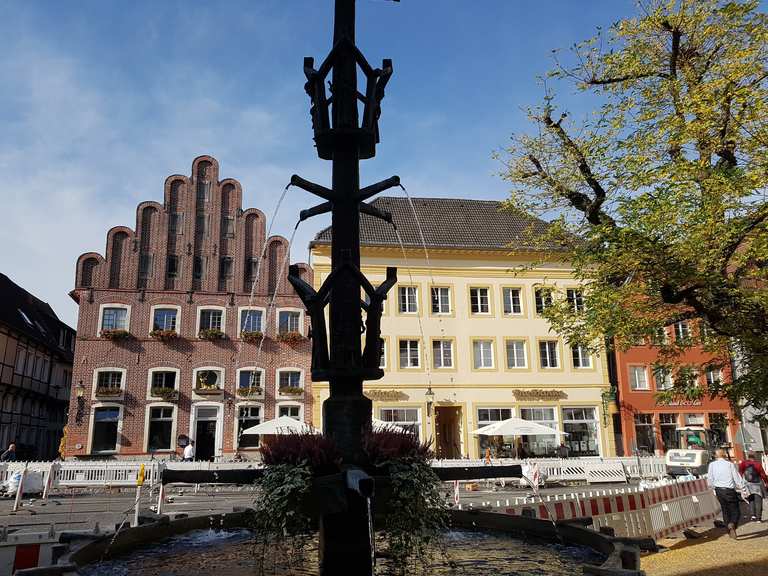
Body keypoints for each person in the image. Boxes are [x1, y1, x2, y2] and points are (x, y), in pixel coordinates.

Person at [707, 448, 746, 538]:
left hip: (719, 490)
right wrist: (742, 488)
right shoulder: (729, 465)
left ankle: (729, 530)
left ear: (716, 456)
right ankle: (732, 524)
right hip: (729, 490)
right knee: (735, 510)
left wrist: (713, 488)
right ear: (724, 455)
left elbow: (710, 479)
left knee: (725, 510)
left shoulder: (712, 465)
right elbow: (736, 477)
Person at [739, 452, 768, 522]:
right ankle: (758, 518)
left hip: (748, 485)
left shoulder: (743, 463)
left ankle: (753, 515)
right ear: (754, 457)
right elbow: (763, 475)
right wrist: (766, 481)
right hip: (757, 484)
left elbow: (740, 471)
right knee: (758, 501)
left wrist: (745, 479)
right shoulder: (757, 464)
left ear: (748, 456)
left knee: (751, 499)